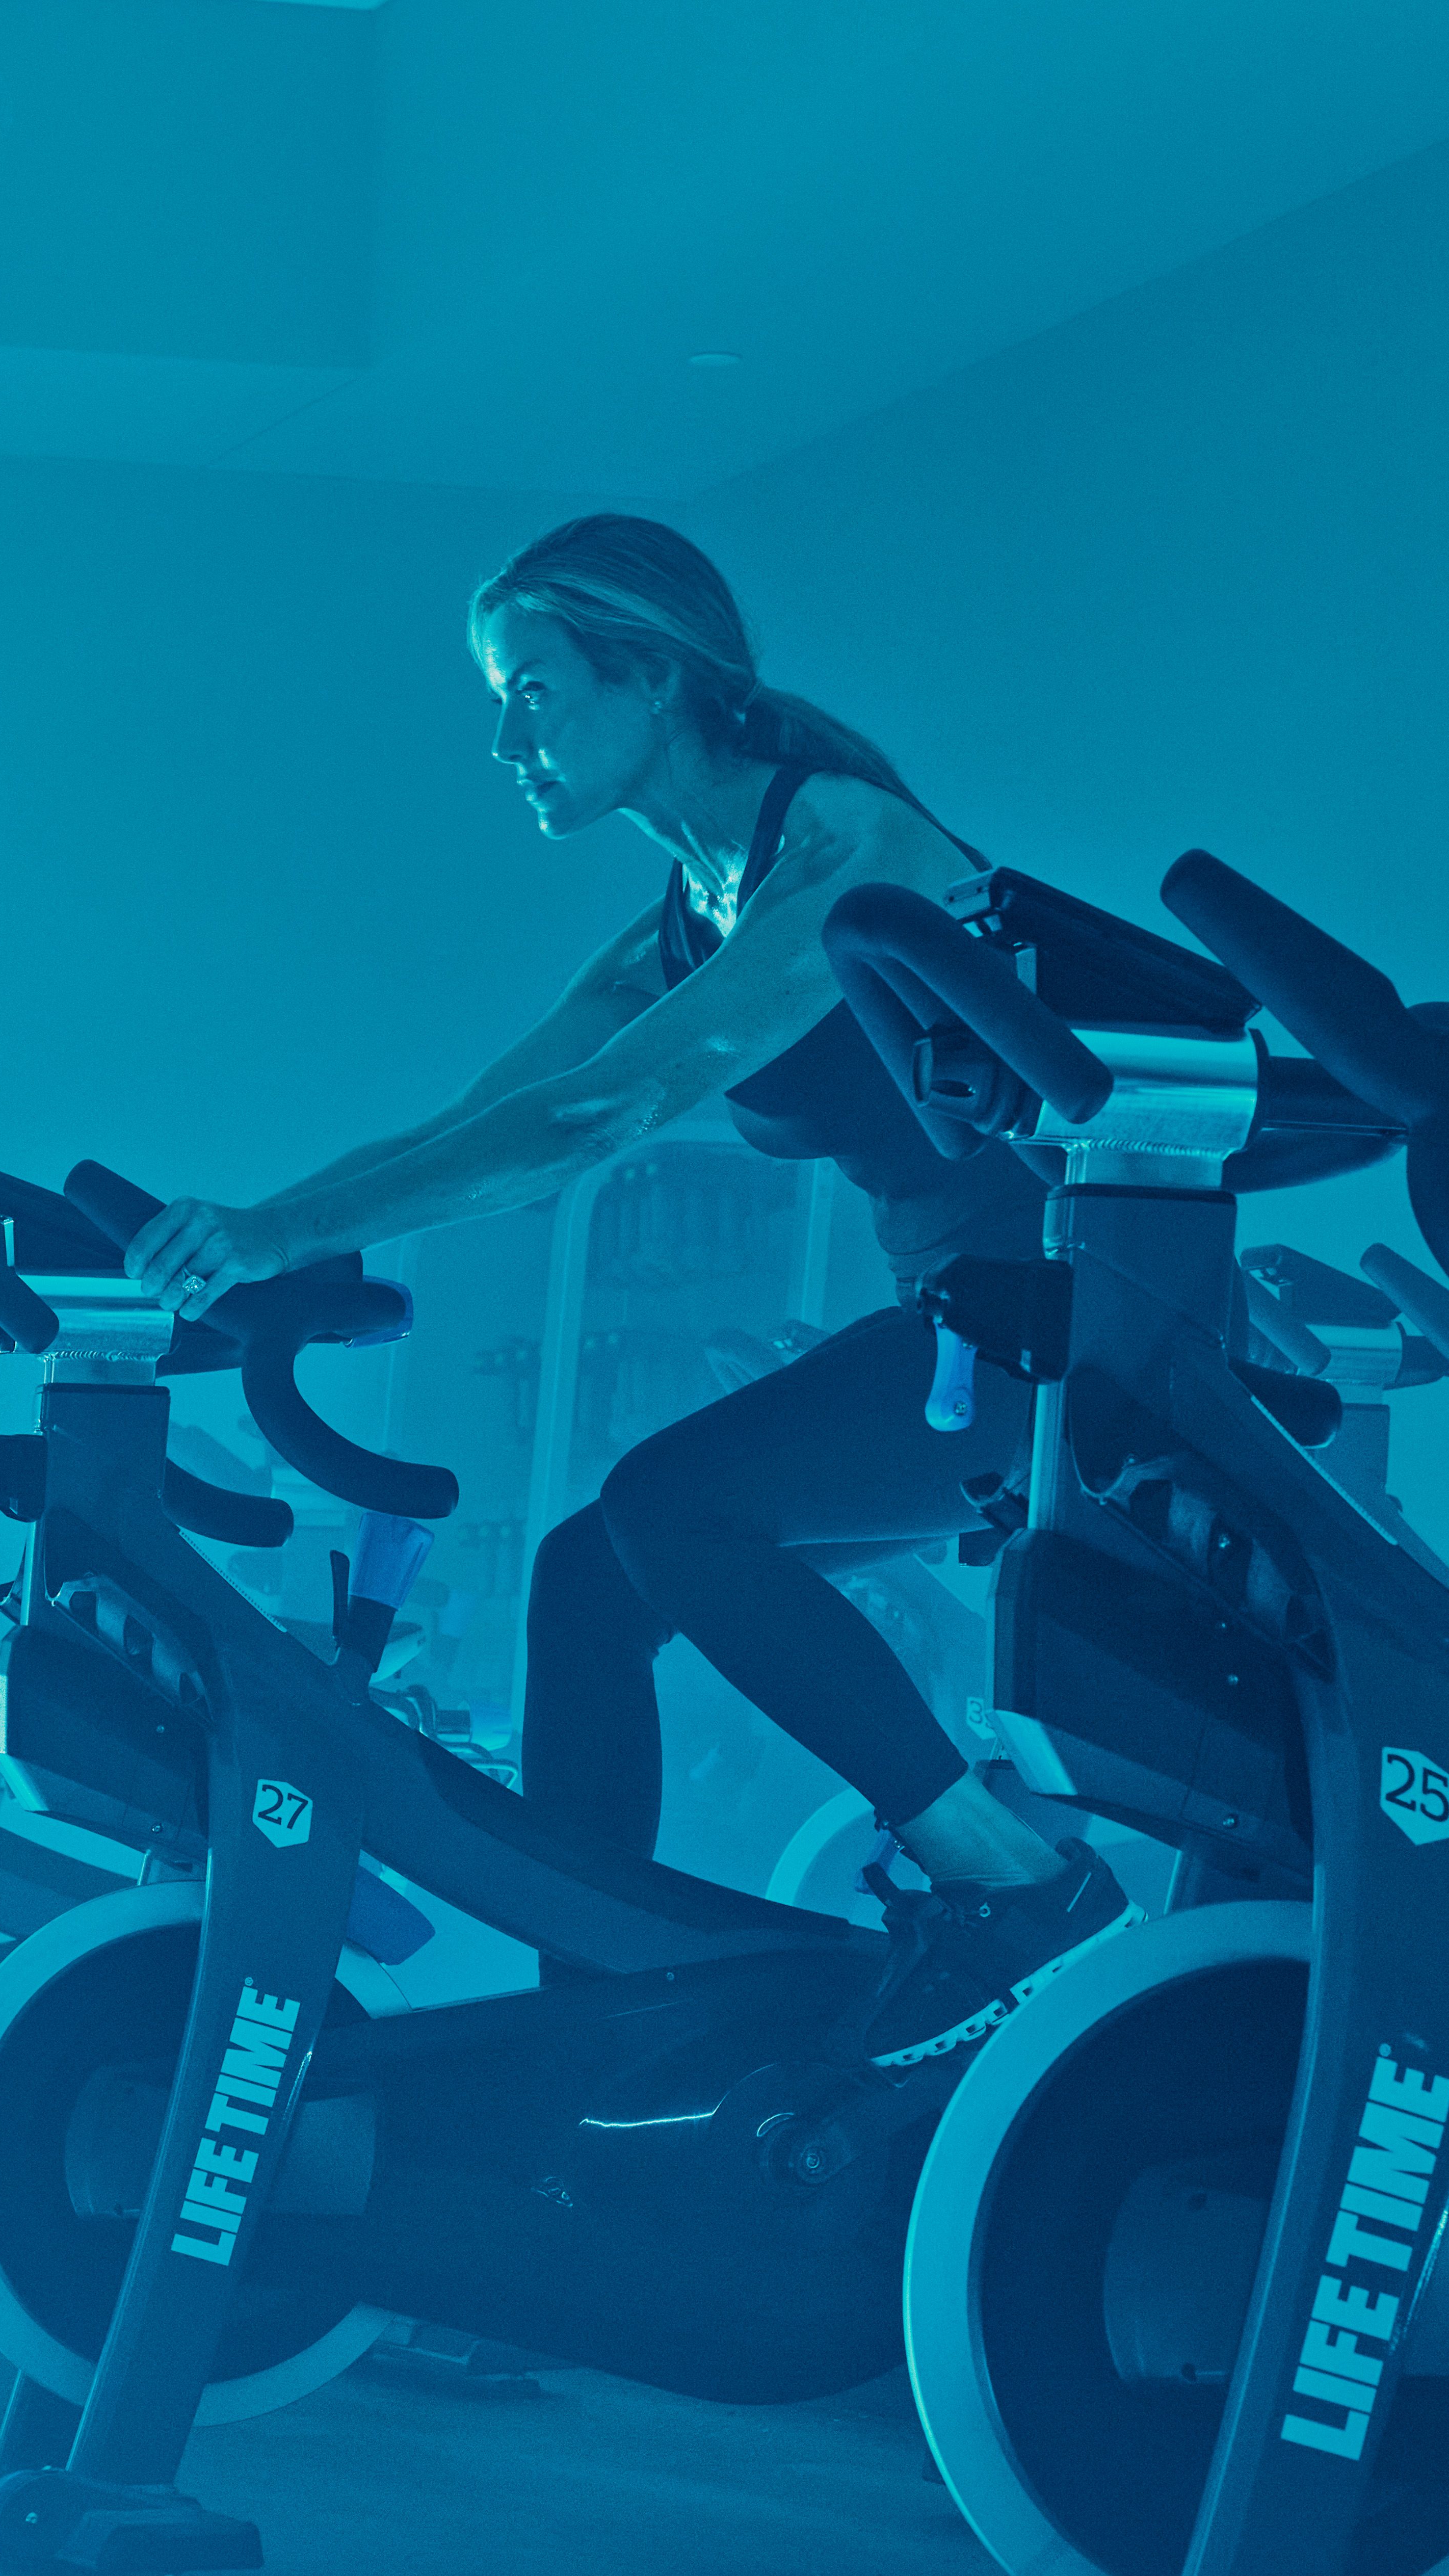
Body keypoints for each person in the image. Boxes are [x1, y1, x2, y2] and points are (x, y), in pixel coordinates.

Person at [127, 515, 1125, 2076]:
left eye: (534, 690)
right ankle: (586, 2024)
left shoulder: (847, 852)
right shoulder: (693, 907)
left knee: (671, 1511)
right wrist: (260, 1244)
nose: (509, 739)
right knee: (595, 1576)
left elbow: (594, 1123)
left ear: (653, 677)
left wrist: (272, 1231)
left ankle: (1012, 1874)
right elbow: (487, 1120)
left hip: (1082, 1327)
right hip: (966, 1324)